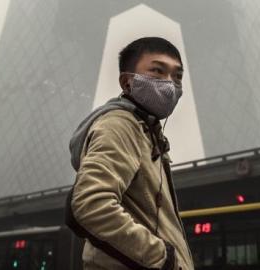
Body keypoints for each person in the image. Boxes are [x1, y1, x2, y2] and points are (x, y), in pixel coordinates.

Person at [66, 37, 194, 270]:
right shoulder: (120, 125)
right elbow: (89, 204)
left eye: (178, 76)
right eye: (157, 71)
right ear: (127, 82)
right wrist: (164, 259)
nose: (170, 84)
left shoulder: (147, 132)